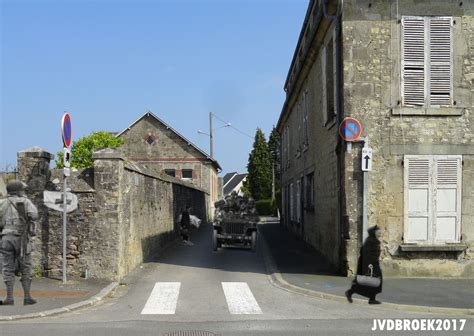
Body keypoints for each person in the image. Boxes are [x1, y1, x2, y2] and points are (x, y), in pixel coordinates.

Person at [0, 180, 39, 305]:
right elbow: (34, 215)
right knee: (26, 267)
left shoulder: (2, 203)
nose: (24, 191)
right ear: (18, 191)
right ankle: (27, 297)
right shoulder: (25, 201)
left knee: (7, 268)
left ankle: (9, 298)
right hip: (21, 239)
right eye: (22, 190)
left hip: (6, 238)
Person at [345, 225, 383, 305]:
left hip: (374, 264)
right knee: (373, 282)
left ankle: (371, 298)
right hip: (371, 264)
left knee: (375, 282)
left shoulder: (373, 240)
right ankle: (351, 292)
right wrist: (369, 264)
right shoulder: (370, 241)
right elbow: (366, 254)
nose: (380, 233)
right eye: (378, 232)